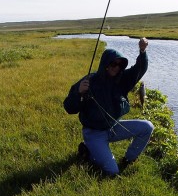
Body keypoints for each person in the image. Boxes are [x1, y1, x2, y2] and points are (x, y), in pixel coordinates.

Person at [63, 38, 154, 176]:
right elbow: (69, 108)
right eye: (113, 64)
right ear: (105, 64)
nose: (116, 67)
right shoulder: (88, 82)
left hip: (113, 127)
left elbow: (139, 69)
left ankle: (129, 159)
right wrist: (78, 93)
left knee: (147, 127)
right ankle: (87, 151)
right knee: (112, 171)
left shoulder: (122, 79)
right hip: (94, 133)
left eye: (119, 65)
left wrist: (142, 51)